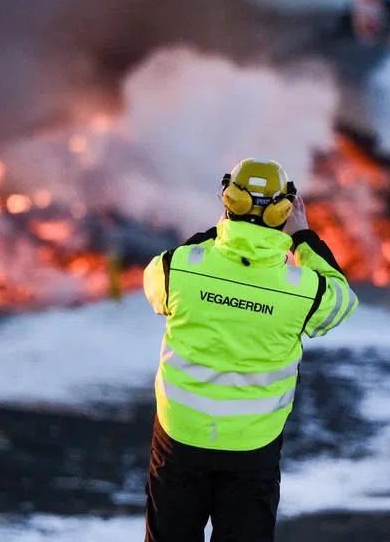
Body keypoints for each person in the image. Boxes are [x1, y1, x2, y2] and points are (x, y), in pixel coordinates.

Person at [143, 158, 357, 542]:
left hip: (180, 436)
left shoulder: (179, 267)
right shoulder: (303, 290)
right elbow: (342, 300)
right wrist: (303, 237)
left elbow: (155, 285)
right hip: (252, 447)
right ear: (284, 212)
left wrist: (224, 233)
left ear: (228, 201)